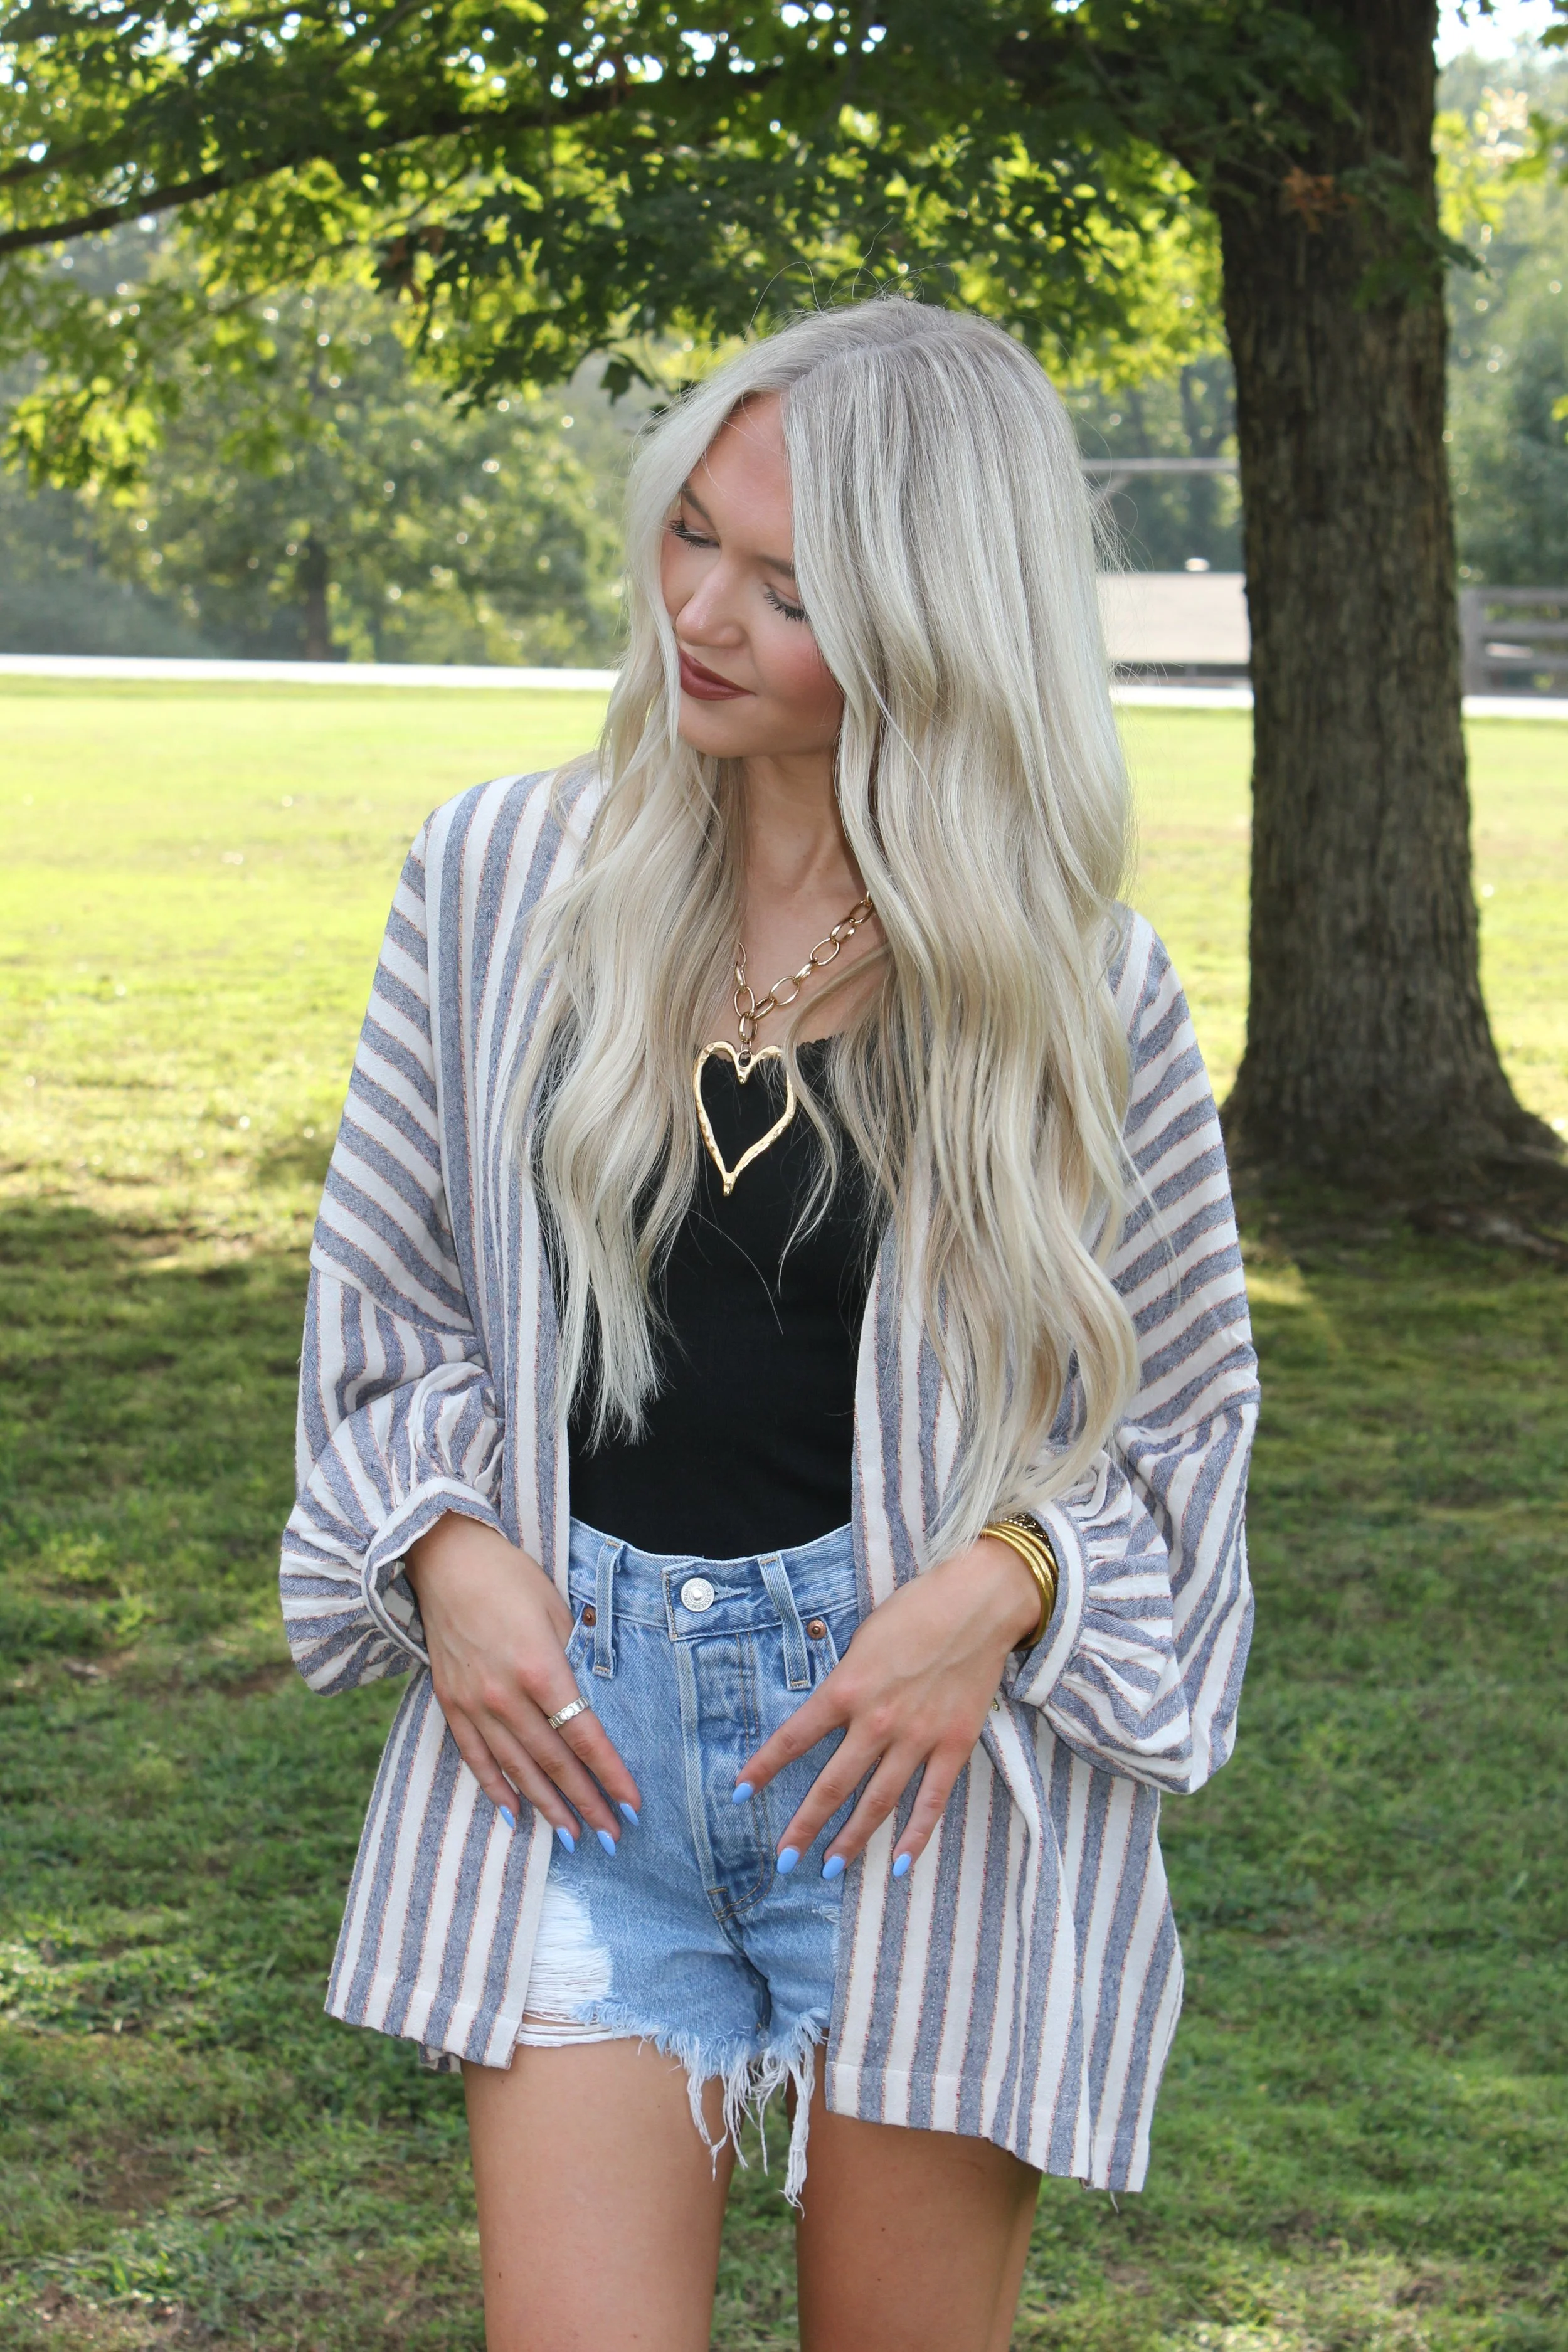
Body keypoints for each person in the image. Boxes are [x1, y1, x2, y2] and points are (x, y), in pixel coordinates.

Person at [280, 296, 1258, 2352]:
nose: (700, 612)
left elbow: (1169, 1433)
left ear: (931, 626)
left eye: (789, 587)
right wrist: (448, 1554)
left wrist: (995, 1586)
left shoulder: (1072, 994)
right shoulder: (497, 883)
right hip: (572, 1760)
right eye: (690, 537)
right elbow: (387, 1303)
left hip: (913, 1782)